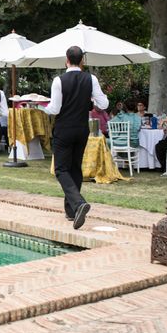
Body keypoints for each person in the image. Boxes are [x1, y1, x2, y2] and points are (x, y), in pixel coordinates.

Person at [44, 46, 108, 229]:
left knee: (61, 169)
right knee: (75, 168)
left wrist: (41, 107)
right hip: (82, 129)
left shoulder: (59, 80)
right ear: (82, 61)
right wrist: (92, 100)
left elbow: (54, 109)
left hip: (64, 129)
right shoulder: (91, 78)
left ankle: (79, 203)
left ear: (66, 60)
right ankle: (71, 211)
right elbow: (103, 103)